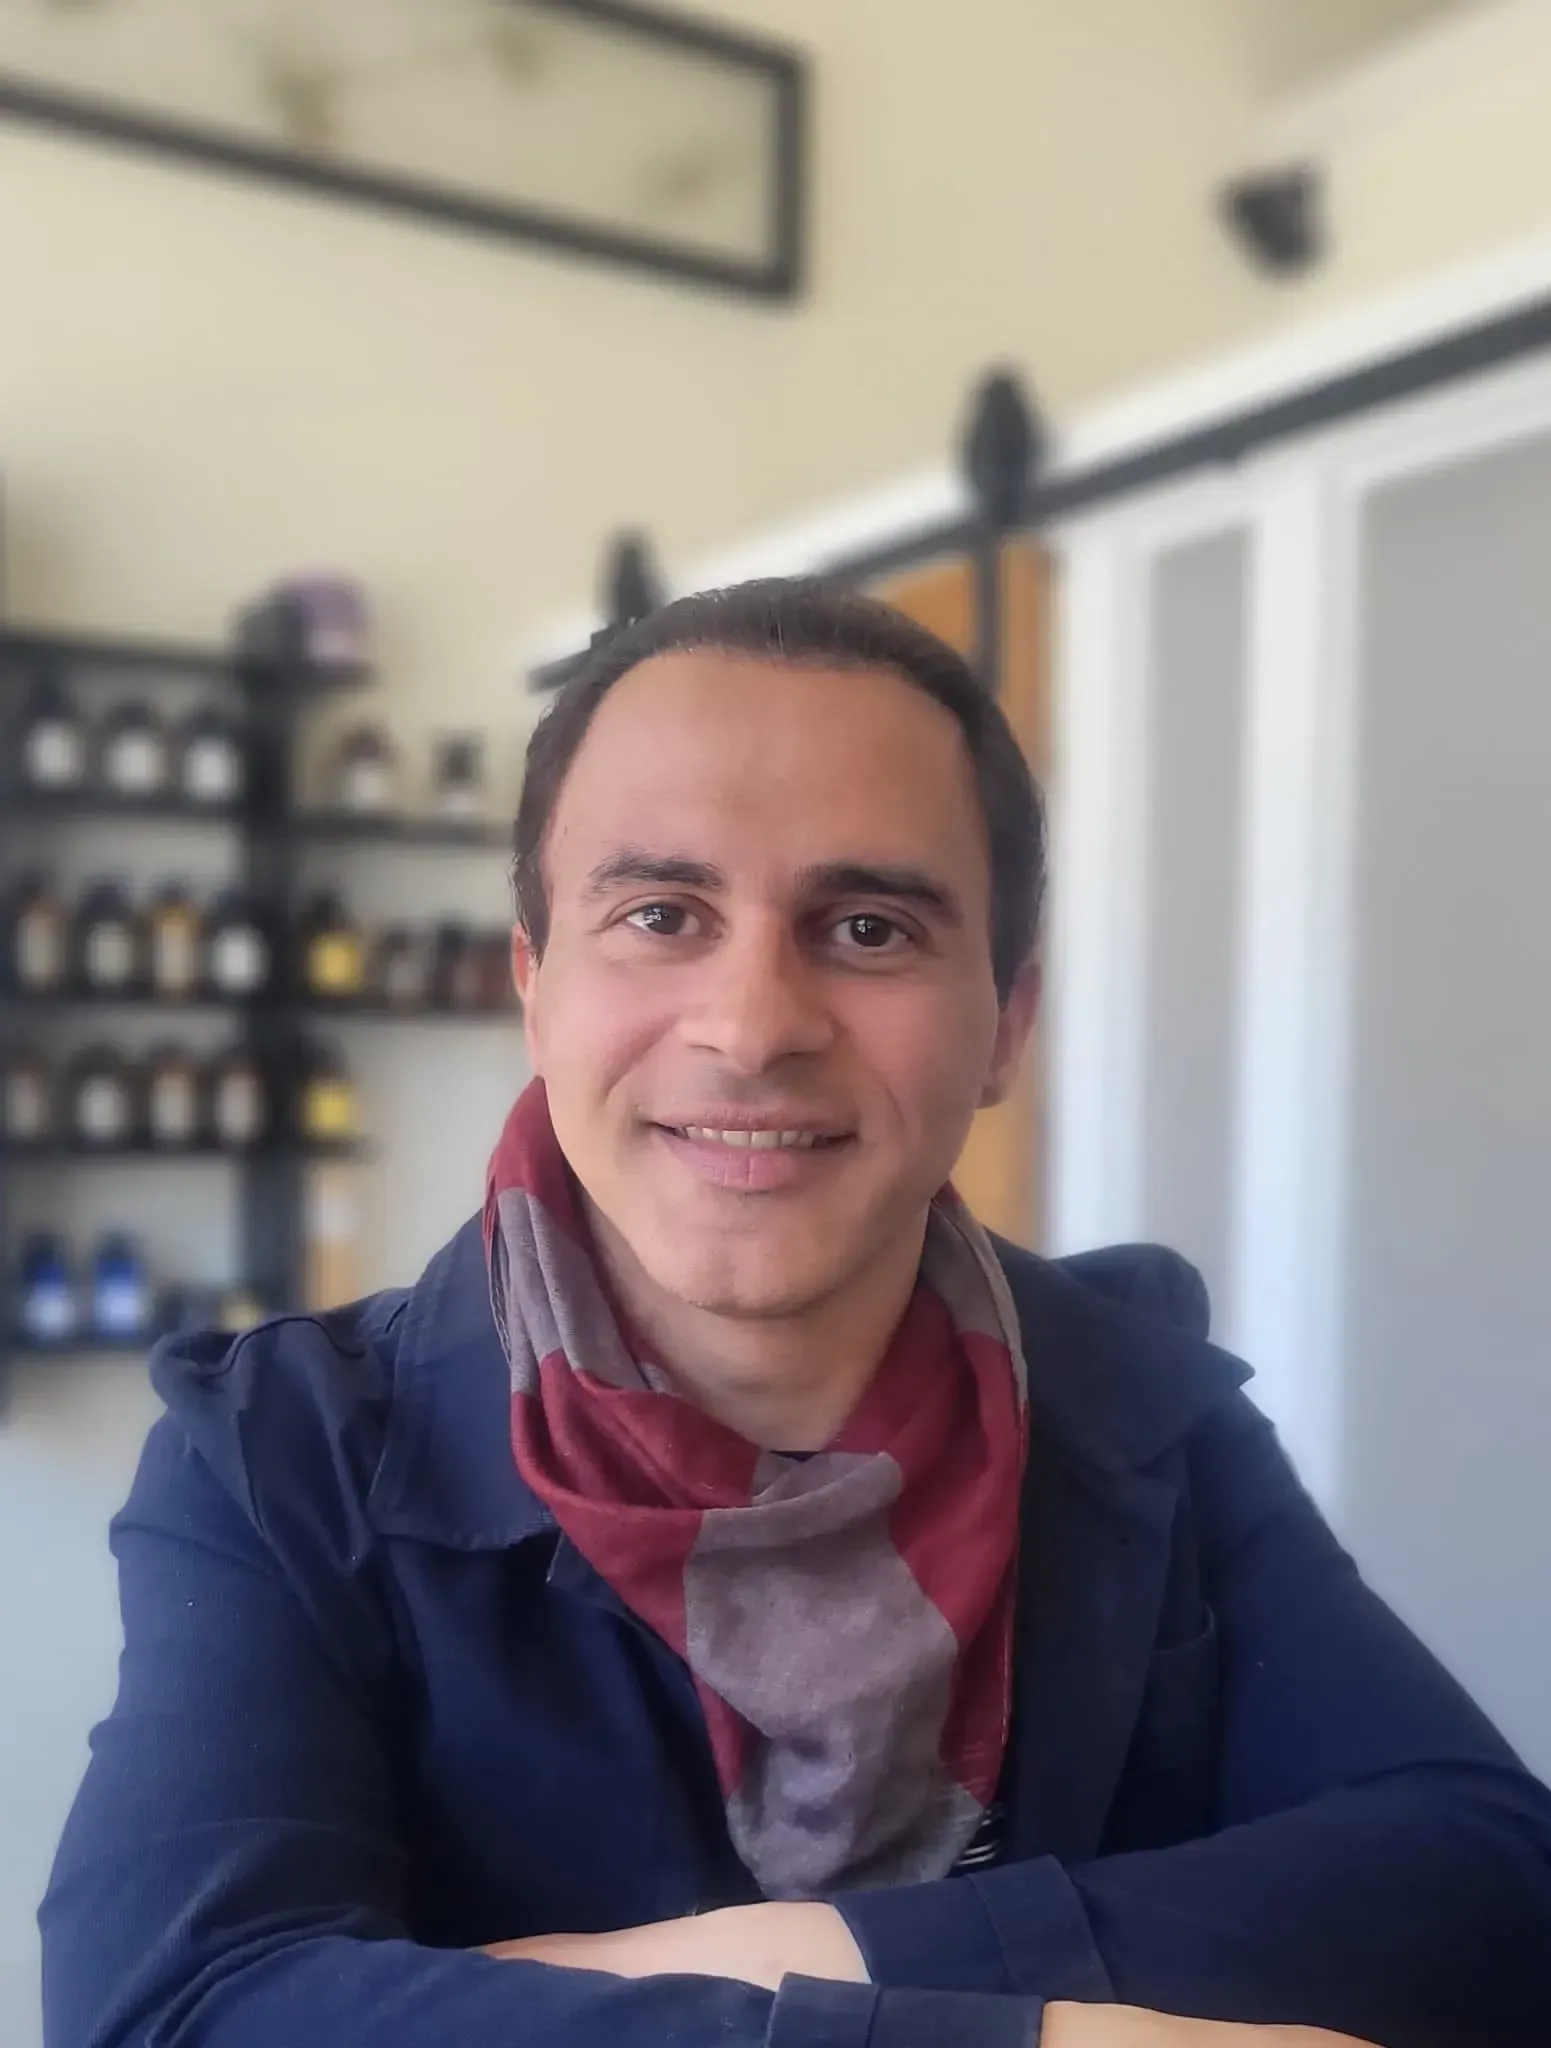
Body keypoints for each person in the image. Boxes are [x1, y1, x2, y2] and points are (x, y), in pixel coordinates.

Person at [40, 579, 1551, 2048]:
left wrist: (786, 1960)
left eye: (870, 929)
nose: (753, 1027)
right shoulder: (283, 1452)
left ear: (1006, 1024)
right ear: (535, 986)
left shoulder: (1135, 1398)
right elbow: (177, 2011)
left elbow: (1487, 1885)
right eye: (656, 912)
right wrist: (1016, 2035)